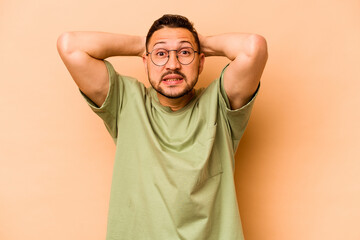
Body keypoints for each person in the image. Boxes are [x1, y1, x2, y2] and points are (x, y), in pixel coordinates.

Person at [57, 14, 267, 240]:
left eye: (185, 53)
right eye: (160, 54)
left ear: (201, 61)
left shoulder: (220, 103)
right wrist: (143, 44)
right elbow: (70, 45)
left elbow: (253, 48)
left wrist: (195, 42)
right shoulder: (125, 101)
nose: (173, 64)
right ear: (145, 61)